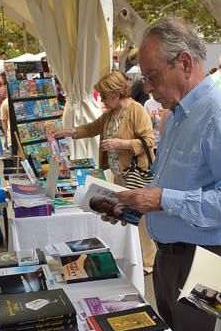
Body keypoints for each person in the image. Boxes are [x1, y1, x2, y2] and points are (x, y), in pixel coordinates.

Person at [104, 18, 221, 331]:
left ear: (185, 63)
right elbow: (170, 185)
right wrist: (131, 205)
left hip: (212, 261)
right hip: (171, 260)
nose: (148, 86)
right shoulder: (176, 116)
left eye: (153, 76)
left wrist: (161, 199)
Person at [50, 70, 157, 274]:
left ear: (117, 94)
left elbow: (149, 141)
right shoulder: (110, 114)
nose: (102, 100)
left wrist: (121, 143)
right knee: (123, 216)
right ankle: (134, 256)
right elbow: (90, 129)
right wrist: (68, 132)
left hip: (136, 175)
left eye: (105, 96)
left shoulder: (136, 110)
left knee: (139, 219)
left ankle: (149, 262)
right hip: (119, 174)